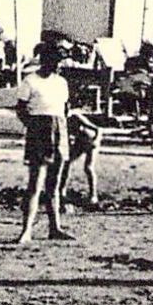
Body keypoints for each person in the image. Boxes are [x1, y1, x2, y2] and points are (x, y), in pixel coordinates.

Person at [14, 42, 77, 244]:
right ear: (44, 59)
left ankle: (55, 227)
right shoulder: (30, 81)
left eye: (59, 62)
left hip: (59, 130)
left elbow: (65, 109)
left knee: (55, 184)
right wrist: (34, 128)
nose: (57, 65)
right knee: (35, 184)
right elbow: (21, 110)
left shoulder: (61, 82)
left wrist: (62, 131)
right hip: (39, 131)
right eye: (54, 61)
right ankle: (26, 230)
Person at [59, 110, 104, 209]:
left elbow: (97, 129)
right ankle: (62, 191)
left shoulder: (75, 117)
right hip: (80, 142)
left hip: (91, 141)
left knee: (88, 168)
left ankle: (93, 196)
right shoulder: (60, 119)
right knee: (66, 163)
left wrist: (95, 140)